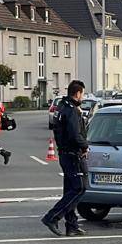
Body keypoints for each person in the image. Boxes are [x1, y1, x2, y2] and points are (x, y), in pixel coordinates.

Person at [42, 80, 89, 236]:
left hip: (64, 153)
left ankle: (72, 225)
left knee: (70, 189)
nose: (83, 96)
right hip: (73, 154)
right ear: (77, 93)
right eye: (83, 93)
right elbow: (75, 134)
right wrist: (85, 146)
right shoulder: (72, 110)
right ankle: (52, 217)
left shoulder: (61, 106)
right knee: (80, 187)